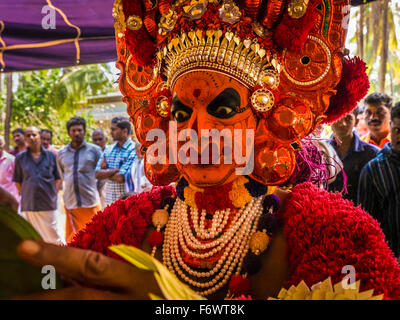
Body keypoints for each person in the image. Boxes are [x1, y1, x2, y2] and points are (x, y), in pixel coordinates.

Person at [16, 0, 400, 300]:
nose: (196, 133)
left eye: (222, 109)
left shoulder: (332, 231)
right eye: (182, 112)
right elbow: (49, 282)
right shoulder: (127, 221)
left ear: (266, 116)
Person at [358, 103, 400, 257]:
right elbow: (366, 228)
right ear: (390, 127)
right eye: (398, 130)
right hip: (390, 262)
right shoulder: (373, 170)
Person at [12, 127, 62, 244]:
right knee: (33, 236)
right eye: (28, 136)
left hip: (48, 203)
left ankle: (58, 260)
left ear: (39, 136)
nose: (31, 138)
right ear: (25, 139)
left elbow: (58, 178)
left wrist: (52, 194)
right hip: (29, 204)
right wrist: (26, 193)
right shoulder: (20, 158)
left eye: (34, 135)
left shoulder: (51, 156)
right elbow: (18, 181)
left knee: (54, 235)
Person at [57, 117, 102, 242]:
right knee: (73, 239)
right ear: (69, 133)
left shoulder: (95, 151)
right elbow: (62, 175)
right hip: (71, 203)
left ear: (84, 131)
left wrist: (94, 190)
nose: (77, 133)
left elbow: (101, 176)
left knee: (95, 235)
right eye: (74, 130)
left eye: (79, 130)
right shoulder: (61, 153)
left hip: (90, 201)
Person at [328, 107, 379, 204]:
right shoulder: (320, 151)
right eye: (338, 118)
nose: (342, 123)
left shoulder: (373, 153)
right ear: (329, 121)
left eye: (348, 118)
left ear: (356, 121)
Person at [95, 117, 136, 205]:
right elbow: (97, 174)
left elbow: (121, 177)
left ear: (125, 131)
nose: (110, 132)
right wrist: (115, 170)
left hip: (127, 203)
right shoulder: (109, 149)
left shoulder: (134, 149)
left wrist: (105, 172)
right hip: (109, 203)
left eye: (114, 129)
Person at [0, 135, 19, 204]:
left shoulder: (11, 160)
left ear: (3, 146)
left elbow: (20, 181)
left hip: (10, 202)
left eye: (0, 144)